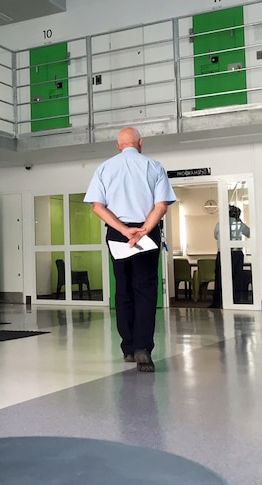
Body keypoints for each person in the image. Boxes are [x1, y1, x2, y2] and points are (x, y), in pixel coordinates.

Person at [84, 127, 177, 372]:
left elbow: (97, 207)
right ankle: (142, 349)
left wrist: (125, 232)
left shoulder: (105, 168)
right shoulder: (154, 167)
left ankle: (128, 348)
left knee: (123, 289)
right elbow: (161, 206)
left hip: (118, 233)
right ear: (140, 144)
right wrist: (143, 230)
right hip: (147, 232)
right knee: (145, 290)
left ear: (118, 146)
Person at [209, 205, 251, 308]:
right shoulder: (240, 225)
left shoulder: (219, 224)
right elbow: (250, 234)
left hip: (222, 253)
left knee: (219, 277)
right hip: (236, 253)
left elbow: (215, 236)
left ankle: (217, 301)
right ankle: (237, 301)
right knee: (237, 278)